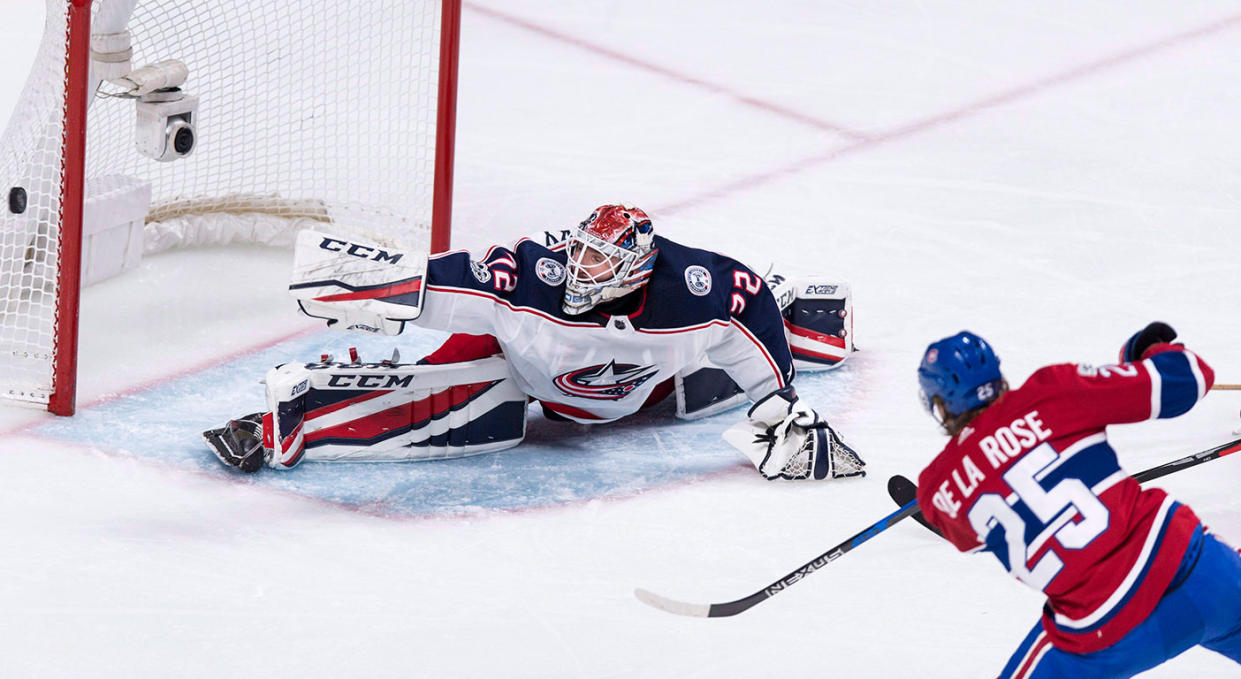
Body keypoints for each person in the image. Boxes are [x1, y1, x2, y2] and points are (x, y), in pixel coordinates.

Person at [204, 204, 865, 482]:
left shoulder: (691, 289)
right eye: (579, 251)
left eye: (600, 261)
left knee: (707, 373)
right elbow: (442, 283)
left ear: (636, 267)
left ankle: (814, 317)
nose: (580, 268)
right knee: (462, 397)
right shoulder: (525, 283)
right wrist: (358, 285)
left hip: (640, 388)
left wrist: (780, 412)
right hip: (528, 372)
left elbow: (744, 305)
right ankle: (290, 419)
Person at [914, 324, 1241, 678]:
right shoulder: (1053, 391)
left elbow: (979, 526)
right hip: (1202, 570)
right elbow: (1189, 378)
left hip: (1106, 632)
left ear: (939, 402)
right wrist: (1146, 352)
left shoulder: (937, 491)